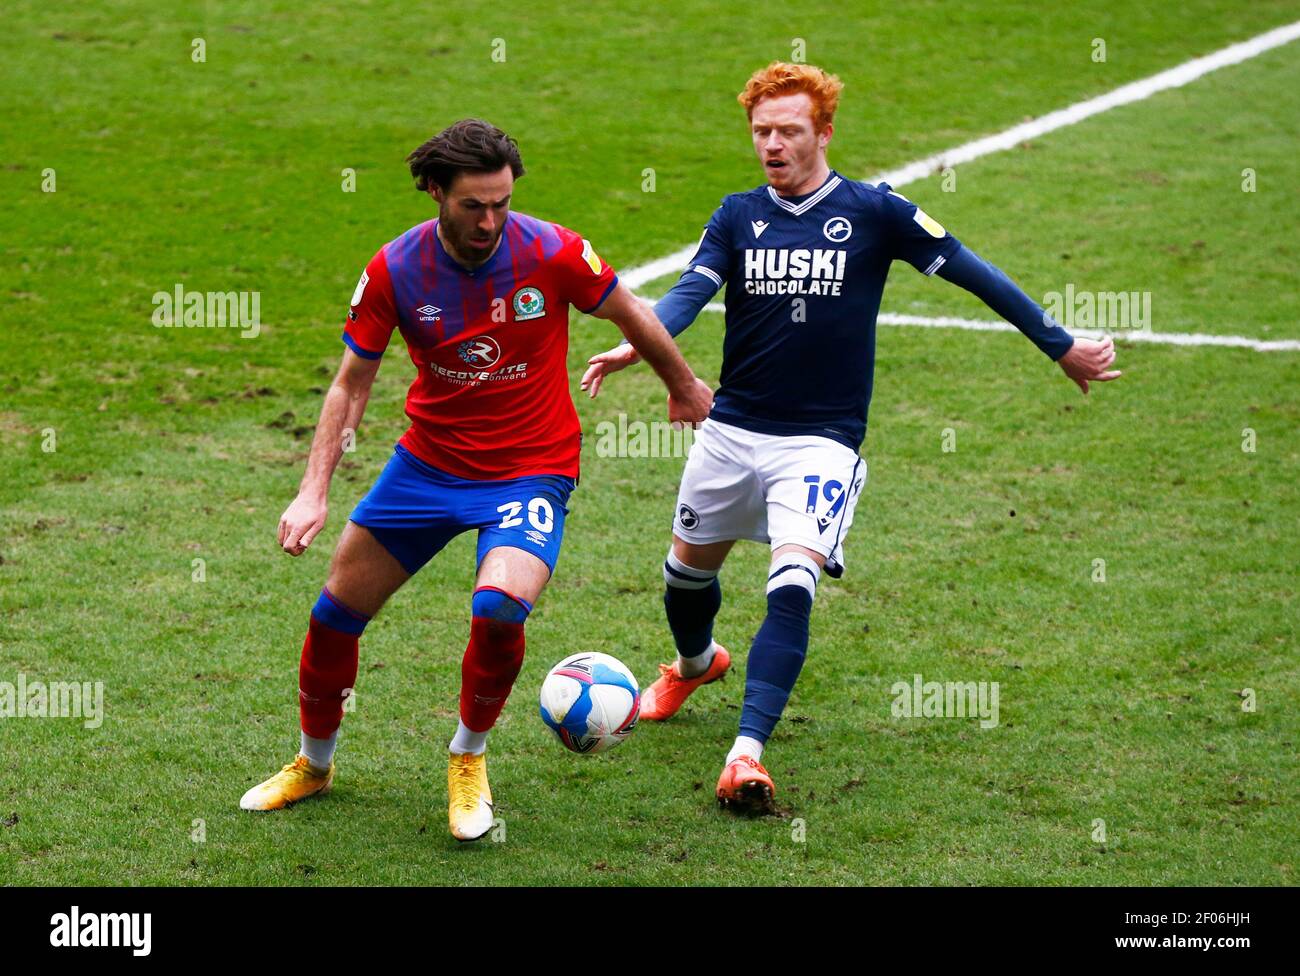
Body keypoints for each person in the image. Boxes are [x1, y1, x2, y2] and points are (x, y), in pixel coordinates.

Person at [581, 63, 1120, 813]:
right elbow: (690, 293)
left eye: (789, 131)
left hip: (821, 444)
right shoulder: (737, 215)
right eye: (762, 131)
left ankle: (746, 755)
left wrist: (1058, 344)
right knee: (684, 578)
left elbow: (976, 275)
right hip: (730, 429)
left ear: (823, 133)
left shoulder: (877, 212)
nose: (772, 144)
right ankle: (695, 663)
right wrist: (639, 343)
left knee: (791, 585)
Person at [240, 118, 713, 841]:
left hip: (532, 467)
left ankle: (468, 756)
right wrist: (314, 488)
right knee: (335, 613)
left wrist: (680, 385)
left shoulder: (552, 249)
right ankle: (314, 764)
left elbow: (633, 312)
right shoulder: (394, 270)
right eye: (474, 206)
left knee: (498, 607)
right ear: (435, 191)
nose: (491, 220)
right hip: (428, 466)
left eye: (502, 202)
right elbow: (350, 386)